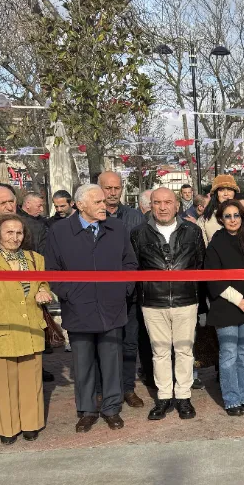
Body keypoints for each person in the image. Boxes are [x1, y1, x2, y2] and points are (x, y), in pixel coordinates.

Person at [45, 184, 137, 432]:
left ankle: (111, 408)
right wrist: (69, 293)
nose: (104, 206)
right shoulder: (60, 231)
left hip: (112, 306)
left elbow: (129, 263)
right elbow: (52, 270)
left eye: (104, 201)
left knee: (112, 363)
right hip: (78, 308)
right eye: (97, 202)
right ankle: (87, 410)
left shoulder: (117, 228)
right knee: (83, 364)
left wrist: (123, 290)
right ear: (80, 205)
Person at [0, 215, 53, 444]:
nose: (15, 237)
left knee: (31, 383)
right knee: (6, 386)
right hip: (3, 333)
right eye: (9, 232)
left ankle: (31, 424)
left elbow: (43, 283)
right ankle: (8, 428)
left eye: (19, 233)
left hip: (31, 330)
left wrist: (43, 291)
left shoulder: (35, 259)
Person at [130, 187, 205, 421]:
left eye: (167, 202)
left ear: (177, 205)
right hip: (153, 302)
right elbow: (135, 267)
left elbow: (199, 263)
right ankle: (163, 397)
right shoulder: (138, 233)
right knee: (159, 352)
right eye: (157, 203)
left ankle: (183, 396)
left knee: (184, 350)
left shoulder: (192, 231)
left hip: (185, 300)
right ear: (150, 206)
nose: (163, 207)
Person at [205, 199, 244, 416]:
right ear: (221, 219)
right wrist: (240, 300)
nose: (233, 220)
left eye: (236, 215)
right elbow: (214, 279)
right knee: (229, 353)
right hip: (227, 307)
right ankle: (231, 399)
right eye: (228, 216)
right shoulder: (216, 243)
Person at [99, 172, 148, 409]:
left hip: (130, 293)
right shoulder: (92, 216)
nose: (112, 192)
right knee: (105, 344)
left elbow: (141, 254)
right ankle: (105, 389)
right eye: (107, 188)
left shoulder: (135, 217)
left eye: (116, 188)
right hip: (101, 295)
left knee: (129, 344)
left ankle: (128, 388)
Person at [198, 175, 239, 244]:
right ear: (216, 193)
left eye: (229, 189)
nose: (226, 194)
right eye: (221, 190)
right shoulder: (205, 219)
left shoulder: (243, 214)